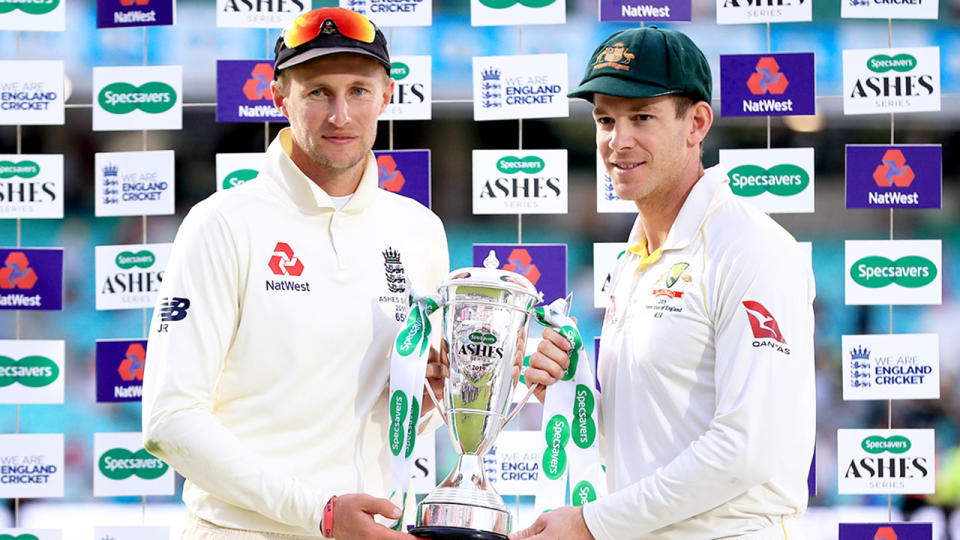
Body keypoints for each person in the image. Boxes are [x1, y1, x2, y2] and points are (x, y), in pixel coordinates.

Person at [141, 8, 449, 539]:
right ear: (279, 97)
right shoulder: (221, 223)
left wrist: (426, 403)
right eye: (317, 93)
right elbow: (170, 422)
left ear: (387, 95)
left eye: (358, 91)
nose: (340, 115)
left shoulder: (419, 230)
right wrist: (319, 512)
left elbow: (379, 419)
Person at [515, 26, 816, 539]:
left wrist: (591, 524)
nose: (618, 140)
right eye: (605, 119)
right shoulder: (633, 258)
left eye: (642, 117)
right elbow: (649, 439)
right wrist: (566, 398)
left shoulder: (752, 248)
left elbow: (746, 449)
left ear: (696, 123)